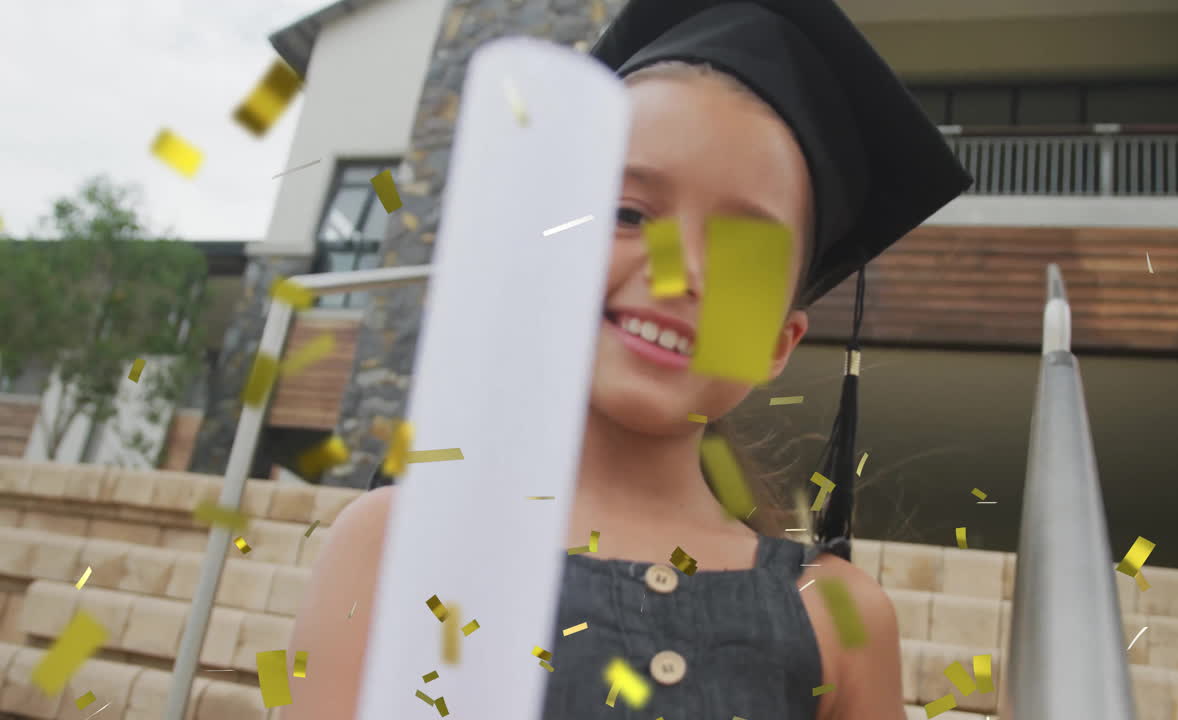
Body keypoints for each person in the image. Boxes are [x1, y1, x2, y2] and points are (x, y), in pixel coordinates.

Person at [282, 1, 971, 718]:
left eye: (744, 256)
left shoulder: (839, 616)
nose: (681, 275)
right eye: (628, 213)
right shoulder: (394, 542)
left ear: (779, 342)